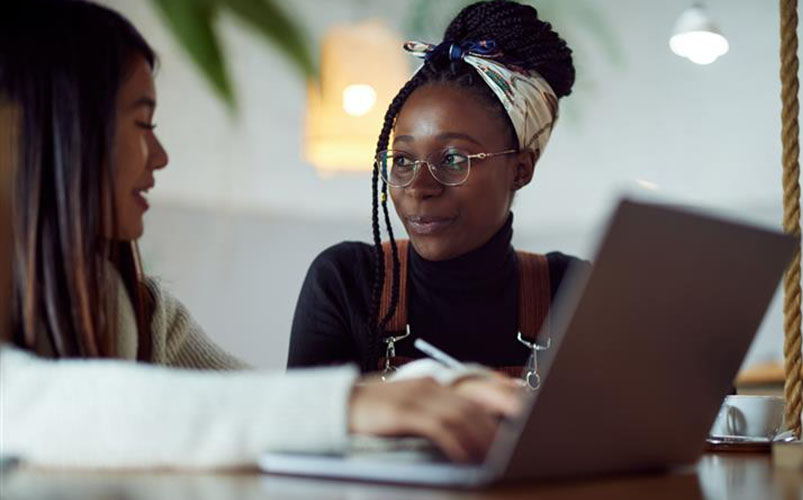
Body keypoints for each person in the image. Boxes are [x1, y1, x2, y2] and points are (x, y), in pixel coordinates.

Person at [0, 0, 520, 468]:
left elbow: (258, 405)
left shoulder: (139, 312)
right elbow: (37, 405)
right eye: (142, 124)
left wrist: (435, 391)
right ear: (52, 129)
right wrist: (349, 404)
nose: (160, 157)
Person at [288, 0, 587, 381]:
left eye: (453, 159)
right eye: (403, 160)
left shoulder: (569, 293)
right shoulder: (348, 283)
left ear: (521, 168)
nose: (419, 187)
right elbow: (306, 431)